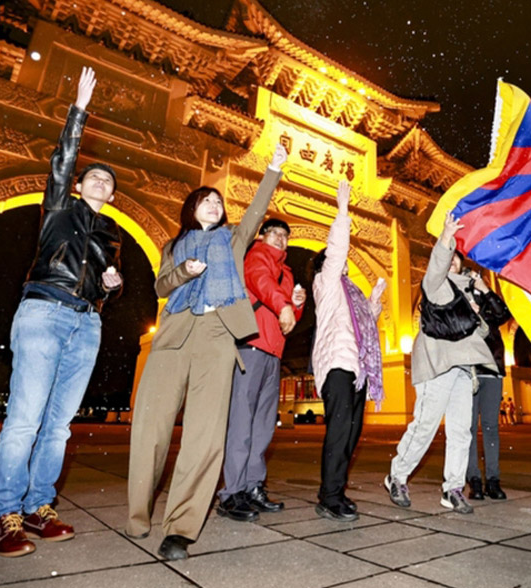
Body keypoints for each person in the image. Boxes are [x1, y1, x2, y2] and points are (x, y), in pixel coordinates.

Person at [0, 67, 122, 557]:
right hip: (44, 311)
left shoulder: (111, 235)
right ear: (80, 186)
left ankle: (40, 506)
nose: (101, 181)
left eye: (108, 179)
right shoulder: (59, 208)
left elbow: (108, 283)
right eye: (94, 176)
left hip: (86, 323)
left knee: (59, 425)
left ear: (112, 194)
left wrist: (113, 284)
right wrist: (78, 113)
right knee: (25, 417)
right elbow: (62, 164)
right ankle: (3, 513)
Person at [126, 143, 287, 560]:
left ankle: (180, 526)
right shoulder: (172, 246)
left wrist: (273, 169)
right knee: (151, 427)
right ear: (191, 209)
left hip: (217, 337)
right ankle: (139, 511)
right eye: (206, 200)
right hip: (174, 337)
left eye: (218, 201)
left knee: (205, 435)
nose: (214, 205)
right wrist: (185, 271)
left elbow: (255, 211)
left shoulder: (234, 239)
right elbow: (161, 286)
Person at [385, 213, 497, 515]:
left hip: (463, 371)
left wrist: (478, 305)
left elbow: (491, 326)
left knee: (461, 431)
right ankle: (396, 476)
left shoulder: (468, 296)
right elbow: (436, 267)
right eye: (448, 259)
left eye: (456, 259)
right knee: (425, 426)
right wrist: (446, 237)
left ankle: (453, 488)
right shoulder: (435, 287)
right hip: (436, 366)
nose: (451, 263)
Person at [216, 218, 305, 521]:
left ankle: (253, 486)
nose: (281, 239)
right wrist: (283, 304)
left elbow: (288, 320)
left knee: (263, 427)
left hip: (273, 353)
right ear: (264, 235)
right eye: (275, 233)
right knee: (242, 424)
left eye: (285, 236)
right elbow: (259, 281)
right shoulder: (257, 256)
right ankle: (232, 493)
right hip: (250, 347)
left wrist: (296, 304)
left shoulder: (287, 272)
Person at [310, 180, 387, 521]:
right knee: (340, 431)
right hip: (338, 365)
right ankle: (328, 497)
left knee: (352, 433)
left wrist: (373, 301)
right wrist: (342, 211)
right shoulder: (326, 284)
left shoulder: (348, 292)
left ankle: (337, 491)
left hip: (358, 370)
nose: (342, 265)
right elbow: (337, 249)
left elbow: (364, 323)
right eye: (334, 261)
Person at [464, 268, 512, 501]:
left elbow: (504, 315)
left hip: (492, 369)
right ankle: (474, 479)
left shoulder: (487, 301)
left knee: (491, 427)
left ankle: (493, 479)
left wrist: (485, 289)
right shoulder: (455, 296)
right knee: (470, 428)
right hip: (468, 370)